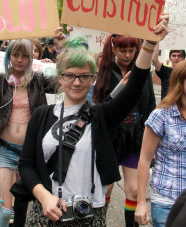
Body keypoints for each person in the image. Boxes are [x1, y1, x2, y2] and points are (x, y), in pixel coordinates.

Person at [13, 14, 168, 227]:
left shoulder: (101, 115)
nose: (77, 82)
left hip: (88, 214)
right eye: (70, 75)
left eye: (84, 76)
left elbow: (134, 88)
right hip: (47, 212)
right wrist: (43, 196)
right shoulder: (42, 115)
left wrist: (149, 43)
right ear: (60, 77)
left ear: (93, 79)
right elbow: (26, 164)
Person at [135, 58, 186, 227]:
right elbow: (145, 160)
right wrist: (141, 202)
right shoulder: (161, 116)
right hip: (166, 202)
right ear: (179, 82)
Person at [92, 34, 156, 227]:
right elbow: (98, 106)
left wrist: (152, 141)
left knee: (135, 190)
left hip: (135, 138)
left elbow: (151, 104)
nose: (127, 55)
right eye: (123, 50)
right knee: (105, 189)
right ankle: (98, 222)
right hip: (109, 137)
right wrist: (122, 86)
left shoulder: (143, 71)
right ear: (113, 48)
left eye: (131, 50)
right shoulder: (104, 70)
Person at [0, 35, 64, 227]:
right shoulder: (2, 81)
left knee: (22, 206)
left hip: (29, 152)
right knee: (4, 210)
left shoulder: (37, 80)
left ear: (31, 58)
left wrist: (59, 51)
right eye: (15, 54)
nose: (20, 60)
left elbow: (62, 83)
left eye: (25, 55)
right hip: (4, 150)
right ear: (9, 56)